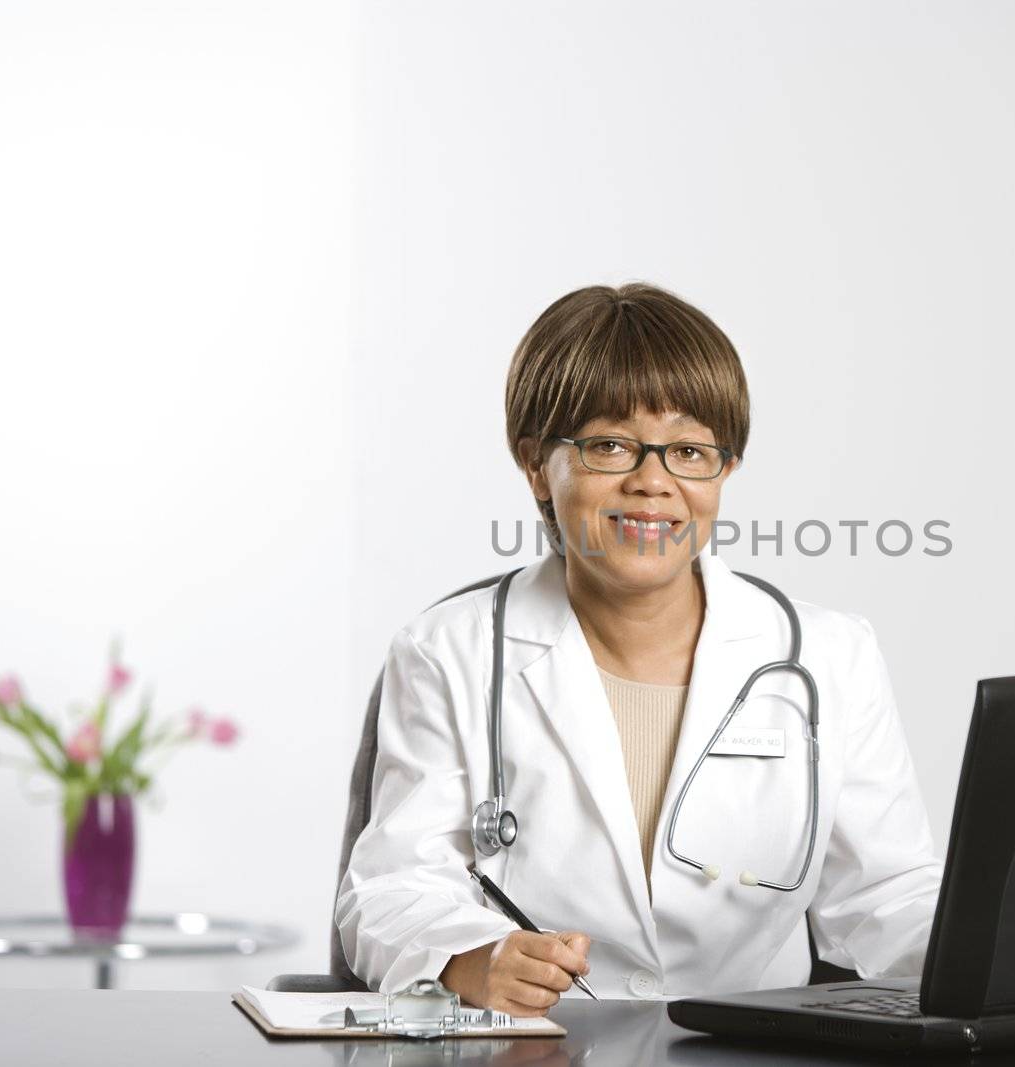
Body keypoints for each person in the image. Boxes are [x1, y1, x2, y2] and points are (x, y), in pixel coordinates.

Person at [335, 282, 941, 1015]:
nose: (653, 482)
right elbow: (391, 890)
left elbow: (889, 897)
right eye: (610, 445)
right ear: (535, 464)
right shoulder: (446, 652)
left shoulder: (828, 655)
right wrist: (472, 957)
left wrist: (1014, 966)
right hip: (539, 1051)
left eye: (689, 450)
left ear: (725, 470)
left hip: (750, 1052)